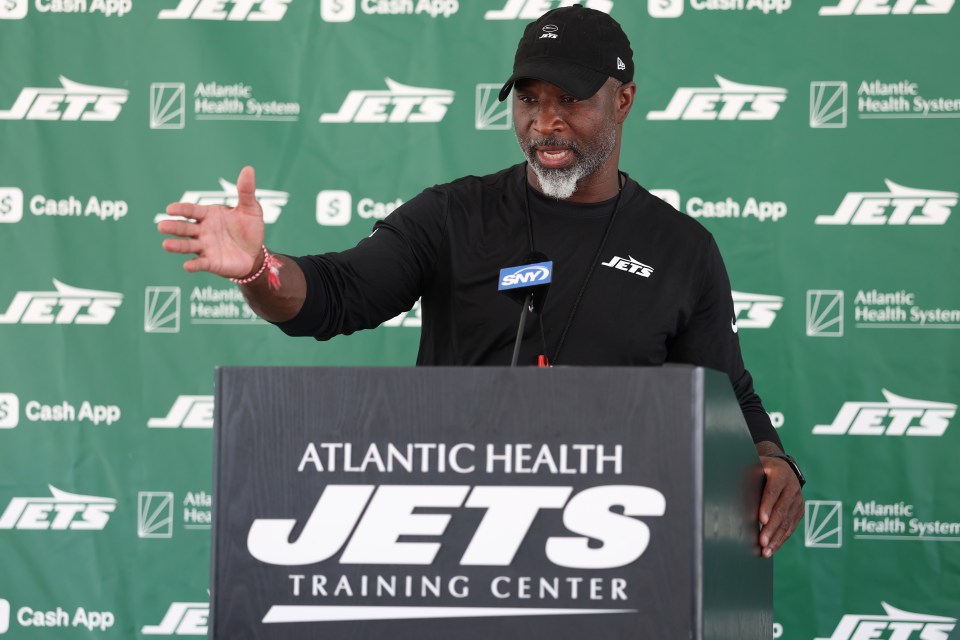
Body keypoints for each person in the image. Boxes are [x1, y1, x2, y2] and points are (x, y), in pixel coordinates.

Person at [158, 5, 804, 557]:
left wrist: (773, 460)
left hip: (611, 545)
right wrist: (258, 267)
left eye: (570, 100)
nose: (544, 123)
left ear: (623, 99)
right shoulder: (452, 216)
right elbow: (337, 294)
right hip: (459, 542)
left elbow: (727, 390)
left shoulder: (682, 248)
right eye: (528, 99)